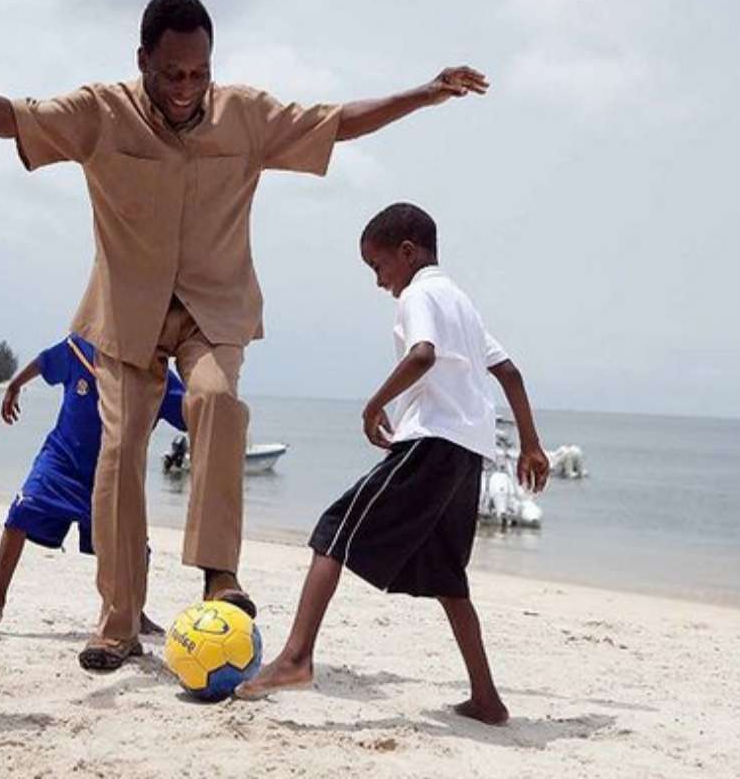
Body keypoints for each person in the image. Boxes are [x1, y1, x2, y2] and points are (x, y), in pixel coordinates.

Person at [0, 0, 489, 670]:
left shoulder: (246, 115)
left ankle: (217, 573)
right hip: (124, 313)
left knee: (217, 401)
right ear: (143, 60)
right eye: (171, 73)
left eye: (198, 73)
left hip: (214, 307)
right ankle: (116, 624)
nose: (185, 87)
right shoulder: (99, 112)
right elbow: (17, 120)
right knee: (117, 456)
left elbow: (337, 121)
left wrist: (422, 94)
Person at [235, 203, 550, 726]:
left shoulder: (419, 294)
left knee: (333, 531)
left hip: (430, 442)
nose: (379, 282)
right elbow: (510, 372)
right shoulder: (461, 302)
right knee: (449, 578)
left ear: (407, 253)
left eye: (378, 267)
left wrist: (373, 403)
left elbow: (422, 354)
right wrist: (532, 445)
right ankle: (487, 700)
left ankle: (294, 659)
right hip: (470, 453)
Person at [0, 334, 186, 635]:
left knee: (133, 548)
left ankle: (135, 611)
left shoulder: (154, 372)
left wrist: (216, 403)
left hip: (112, 473)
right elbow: (44, 362)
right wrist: (15, 384)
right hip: (61, 458)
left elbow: (192, 414)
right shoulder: (79, 348)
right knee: (20, 513)